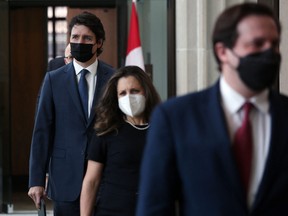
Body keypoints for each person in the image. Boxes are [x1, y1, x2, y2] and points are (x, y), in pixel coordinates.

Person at [136, 3, 288, 216]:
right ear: (223, 51)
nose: (269, 53)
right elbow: (155, 207)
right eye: (257, 43)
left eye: (274, 44)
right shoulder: (175, 118)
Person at [28, 11, 114, 216]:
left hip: (106, 180)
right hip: (66, 180)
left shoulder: (113, 78)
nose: (79, 42)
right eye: (75, 37)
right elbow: (42, 132)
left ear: (99, 43)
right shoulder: (53, 80)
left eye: (87, 38)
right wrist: (36, 180)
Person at [80, 65, 161, 216]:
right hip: (112, 210)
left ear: (146, 91)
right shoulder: (106, 130)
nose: (129, 97)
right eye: (122, 93)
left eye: (134, 91)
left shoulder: (164, 130)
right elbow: (91, 181)